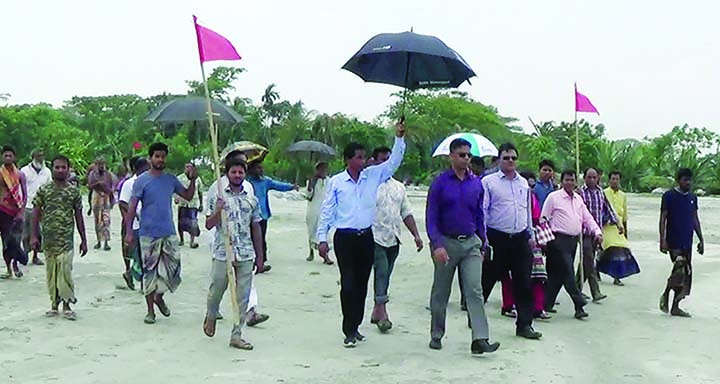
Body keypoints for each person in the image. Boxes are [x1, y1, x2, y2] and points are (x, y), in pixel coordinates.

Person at [317, 121, 406, 348]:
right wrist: (321, 238)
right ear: (348, 159)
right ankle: (348, 329)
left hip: (367, 237)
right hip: (345, 238)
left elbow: (394, 162)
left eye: (364, 157)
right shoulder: (337, 182)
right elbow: (327, 210)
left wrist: (399, 138)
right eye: (358, 157)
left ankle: (355, 327)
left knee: (362, 284)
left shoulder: (373, 176)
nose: (362, 161)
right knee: (348, 284)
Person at [426, 138, 500, 354]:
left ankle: (480, 338)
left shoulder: (476, 183)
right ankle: (436, 333)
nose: (465, 158)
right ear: (451, 156)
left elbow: (479, 215)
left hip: (470, 243)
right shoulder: (440, 183)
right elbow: (431, 216)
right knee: (441, 291)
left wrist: (483, 242)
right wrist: (436, 244)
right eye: (461, 154)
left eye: (468, 155)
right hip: (446, 243)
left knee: (474, 291)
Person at [125, 143, 197, 324]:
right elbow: (132, 208)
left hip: (168, 232)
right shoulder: (141, 181)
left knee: (173, 270)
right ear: (150, 158)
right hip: (148, 233)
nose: (160, 159)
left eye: (163, 156)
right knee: (149, 272)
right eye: (157, 156)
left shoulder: (170, 180)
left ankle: (159, 296)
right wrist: (129, 232)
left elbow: (187, 196)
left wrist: (193, 179)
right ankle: (150, 311)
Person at [481, 143, 541, 340]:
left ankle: (524, 325)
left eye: (513, 158)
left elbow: (526, 211)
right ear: (499, 159)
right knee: (487, 280)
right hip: (497, 238)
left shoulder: (523, 183)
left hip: (520, 239)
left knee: (523, 282)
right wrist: (484, 239)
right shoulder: (489, 182)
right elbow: (483, 211)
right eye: (506, 158)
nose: (510, 161)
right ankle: (476, 317)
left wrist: (531, 235)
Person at [203, 158, 265, 350]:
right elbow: (208, 224)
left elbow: (256, 226)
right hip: (223, 252)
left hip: (246, 253)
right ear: (227, 174)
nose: (237, 175)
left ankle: (236, 335)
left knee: (243, 296)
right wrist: (218, 210)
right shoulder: (218, 196)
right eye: (233, 172)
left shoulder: (251, 198)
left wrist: (260, 254)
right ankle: (211, 315)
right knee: (216, 291)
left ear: (244, 174)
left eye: (240, 172)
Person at [368, 146, 423, 333]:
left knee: (387, 274)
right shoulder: (368, 184)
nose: (386, 163)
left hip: (394, 237)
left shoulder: (399, 187)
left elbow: (406, 212)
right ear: (373, 161)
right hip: (374, 236)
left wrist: (416, 235)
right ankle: (383, 313)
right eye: (382, 159)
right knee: (381, 271)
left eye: (389, 159)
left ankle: (377, 309)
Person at [31, 155, 88, 320]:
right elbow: (36, 213)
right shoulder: (44, 190)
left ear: (68, 169)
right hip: (48, 240)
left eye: (64, 167)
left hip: (66, 241)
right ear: (52, 168)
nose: (61, 170)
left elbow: (79, 216)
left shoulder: (73, 191)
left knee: (65, 272)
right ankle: (54, 305)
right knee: (51, 273)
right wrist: (34, 236)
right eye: (58, 167)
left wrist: (84, 240)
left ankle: (67, 305)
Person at [541, 170, 602, 319]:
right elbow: (543, 219)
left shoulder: (578, 200)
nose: (569, 183)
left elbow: (587, 218)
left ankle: (545, 303)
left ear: (576, 182)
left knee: (557, 275)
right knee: (568, 272)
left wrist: (597, 232)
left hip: (573, 241)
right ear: (562, 182)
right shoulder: (554, 198)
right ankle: (578, 303)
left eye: (572, 180)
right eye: (567, 180)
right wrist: (545, 240)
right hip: (557, 241)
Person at [498, 171, 551, 320]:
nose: (531, 188)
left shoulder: (533, 198)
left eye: (533, 186)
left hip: (532, 239)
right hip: (511, 238)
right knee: (509, 276)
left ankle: (537, 307)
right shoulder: (511, 197)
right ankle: (508, 305)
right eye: (528, 185)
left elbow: (536, 217)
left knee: (537, 275)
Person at [659, 168, 704, 317]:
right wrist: (662, 239)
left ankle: (675, 305)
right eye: (685, 180)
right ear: (679, 180)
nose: (688, 183)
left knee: (684, 275)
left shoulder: (692, 197)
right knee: (679, 266)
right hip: (673, 241)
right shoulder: (669, 196)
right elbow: (663, 218)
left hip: (687, 241)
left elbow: (694, 219)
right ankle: (666, 294)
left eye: (690, 180)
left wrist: (701, 239)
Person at [577, 167, 623, 302]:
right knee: (589, 261)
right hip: (584, 233)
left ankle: (575, 288)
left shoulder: (600, 193)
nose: (591, 180)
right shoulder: (580, 193)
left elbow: (608, 209)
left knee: (585, 262)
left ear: (598, 178)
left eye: (594, 177)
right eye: (589, 177)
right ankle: (595, 292)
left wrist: (618, 224)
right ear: (584, 178)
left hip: (597, 234)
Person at [246, 160, 299, 273]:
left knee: (261, 239)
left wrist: (291, 187)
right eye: (258, 168)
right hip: (248, 215)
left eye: (261, 168)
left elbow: (278, 185)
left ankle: (261, 262)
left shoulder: (266, 181)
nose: (261, 170)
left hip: (262, 215)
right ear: (251, 169)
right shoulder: (246, 182)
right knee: (248, 239)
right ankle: (250, 262)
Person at [597, 171, 640, 286]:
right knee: (608, 249)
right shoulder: (603, 193)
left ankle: (617, 276)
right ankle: (596, 269)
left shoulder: (623, 195)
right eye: (612, 179)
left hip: (619, 227)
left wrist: (625, 231)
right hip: (607, 227)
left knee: (621, 250)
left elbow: (624, 215)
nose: (614, 181)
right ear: (609, 180)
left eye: (617, 179)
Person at [119, 157, 150, 290]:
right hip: (134, 223)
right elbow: (122, 203)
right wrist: (131, 219)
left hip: (147, 223)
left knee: (144, 254)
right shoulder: (129, 183)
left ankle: (138, 278)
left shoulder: (149, 182)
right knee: (135, 253)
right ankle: (132, 274)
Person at [0, 146, 27, 279]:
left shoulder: (20, 174)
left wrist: (21, 211)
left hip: (16, 211)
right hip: (2, 212)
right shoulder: (0, 174)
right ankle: (8, 268)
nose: (8, 158)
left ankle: (16, 265)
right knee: (5, 241)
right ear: (2, 157)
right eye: (6, 155)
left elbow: (25, 194)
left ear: (14, 157)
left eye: (10, 156)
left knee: (16, 241)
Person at [21, 148, 51, 265]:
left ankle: (35, 256)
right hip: (27, 205)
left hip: (41, 206)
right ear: (33, 156)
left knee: (38, 232)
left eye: (42, 155)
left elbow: (49, 188)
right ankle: (25, 254)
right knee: (26, 232)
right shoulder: (24, 171)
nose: (40, 157)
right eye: (38, 155)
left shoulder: (47, 172)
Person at [305, 162, 332, 264]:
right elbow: (308, 196)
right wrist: (310, 186)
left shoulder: (330, 181)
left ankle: (326, 256)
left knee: (325, 233)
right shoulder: (311, 181)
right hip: (313, 210)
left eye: (324, 169)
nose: (323, 171)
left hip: (325, 211)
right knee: (312, 231)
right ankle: (311, 251)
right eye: (320, 169)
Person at [88, 157, 115, 251]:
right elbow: (90, 186)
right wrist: (98, 184)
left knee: (106, 220)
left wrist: (112, 199)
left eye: (103, 164)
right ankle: (99, 241)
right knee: (98, 220)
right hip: (96, 197)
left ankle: (106, 242)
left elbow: (111, 188)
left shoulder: (108, 174)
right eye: (100, 164)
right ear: (96, 165)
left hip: (106, 198)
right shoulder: (92, 174)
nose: (102, 166)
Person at [176, 163, 204, 249]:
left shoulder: (197, 179)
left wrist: (201, 204)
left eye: (190, 167)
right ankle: (181, 239)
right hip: (182, 203)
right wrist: (176, 199)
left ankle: (192, 242)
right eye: (187, 167)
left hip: (193, 204)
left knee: (193, 223)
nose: (188, 169)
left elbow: (200, 192)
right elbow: (176, 190)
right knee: (181, 223)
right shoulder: (180, 178)